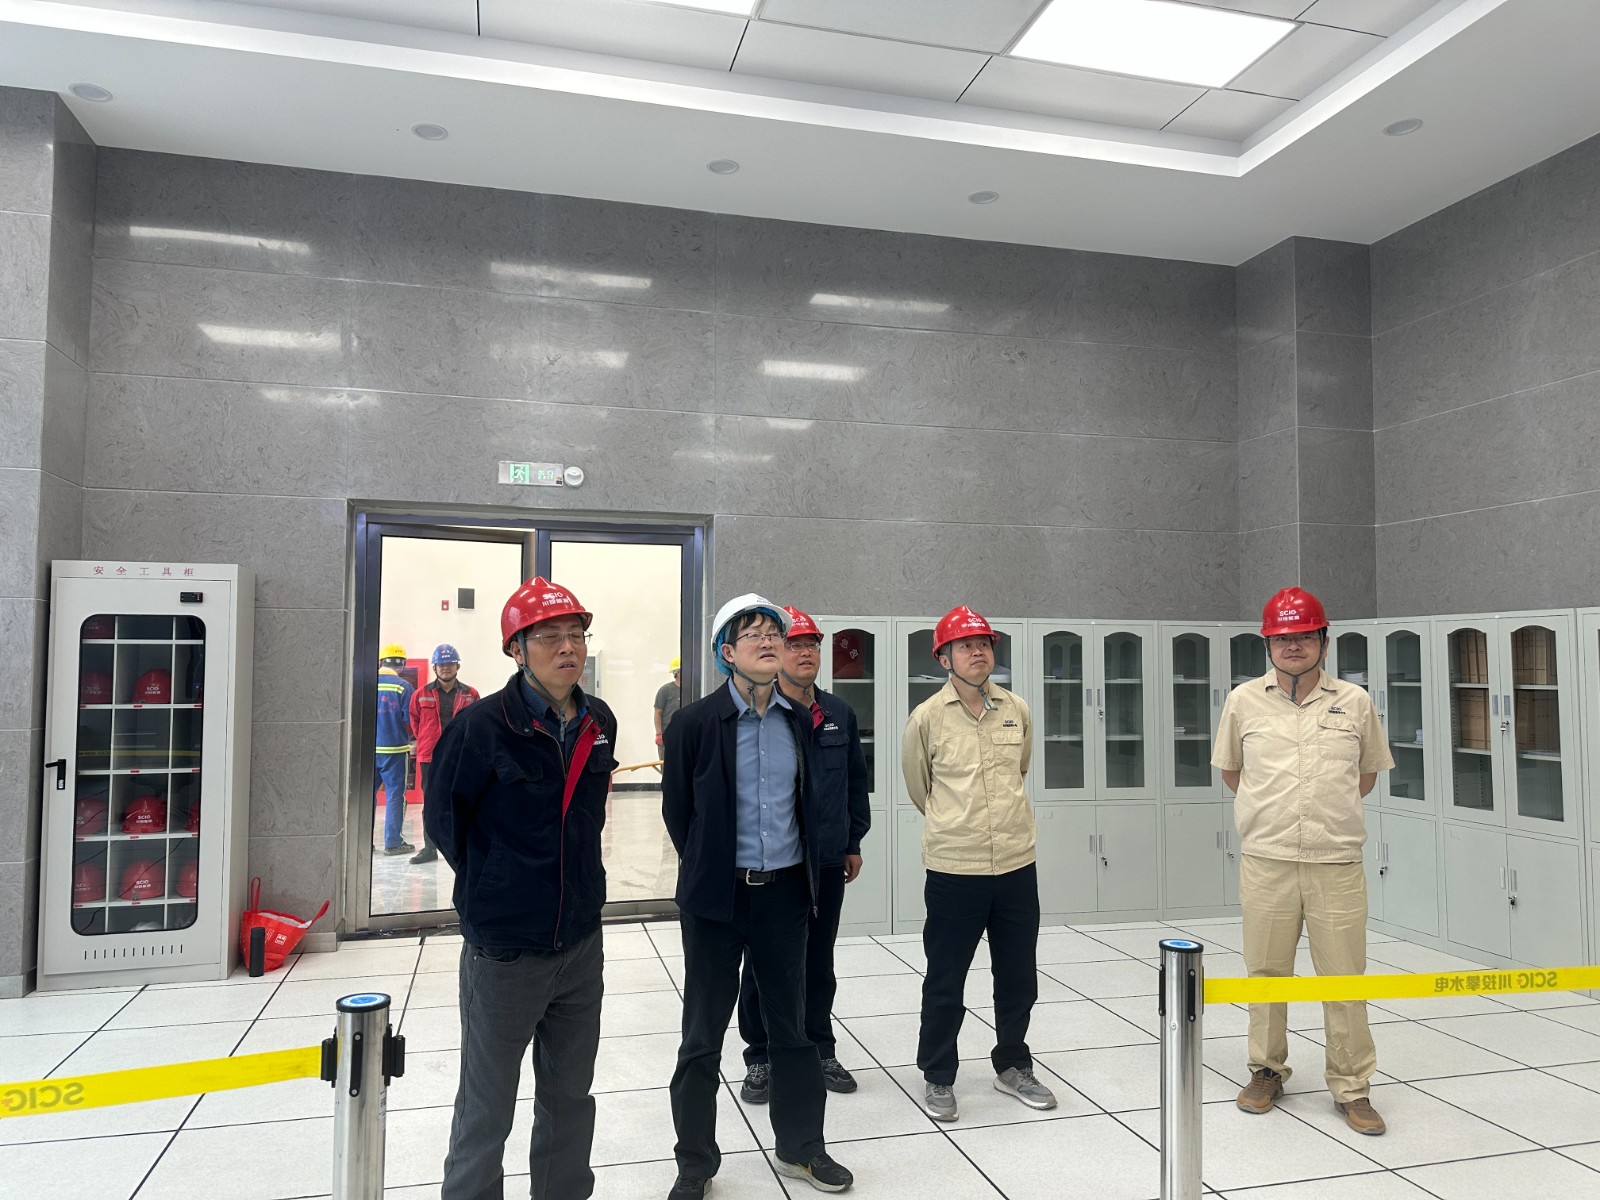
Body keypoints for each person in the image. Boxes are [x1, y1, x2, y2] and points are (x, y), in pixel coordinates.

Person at [424, 577, 619, 1199]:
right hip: (506, 951)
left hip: (580, 943)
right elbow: (444, 821)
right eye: (550, 636)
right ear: (516, 649)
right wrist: (498, 883)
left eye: (576, 635)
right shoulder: (480, 727)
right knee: (487, 1105)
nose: (568, 647)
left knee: (570, 1097)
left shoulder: (598, 720)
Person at [662, 595, 853, 1198]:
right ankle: (695, 1163)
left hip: (785, 897)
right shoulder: (695, 723)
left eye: (776, 632)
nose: (770, 641)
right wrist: (713, 865)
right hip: (716, 901)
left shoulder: (800, 721)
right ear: (727, 652)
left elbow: (811, 803)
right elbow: (679, 815)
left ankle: (802, 1148)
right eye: (754, 634)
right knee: (702, 1036)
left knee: (792, 1028)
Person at [1212, 586, 1395, 1136]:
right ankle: (1266, 1071)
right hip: (1266, 859)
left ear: (1324, 641)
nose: (1293, 646)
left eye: (1304, 636)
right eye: (1282, 637)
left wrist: (1320, 817)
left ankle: (1352, 1087)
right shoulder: (1243, 701)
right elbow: (1233, 773)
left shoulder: (1355, 702)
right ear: (1268, 644)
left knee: (1344, 977)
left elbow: (1365, 776)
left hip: (1335, 860)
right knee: (1266, 974)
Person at [901, 605, 1056, 1123]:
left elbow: (1021, 769)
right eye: (965, 645)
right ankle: (938, 1073)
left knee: (1018, 975)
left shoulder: (1016, 708)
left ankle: (1013, 1064)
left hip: (1015, 863)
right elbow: (920, 787)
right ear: (943, 657)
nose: (977, 652)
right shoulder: (927, 717)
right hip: (955, 867)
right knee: (946, 977)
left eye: (984, 643)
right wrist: (958, 823)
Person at [737, 607, 870, 1104]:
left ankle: (820, 1047)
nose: (805, 652)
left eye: (812, 643)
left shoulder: (837, 713)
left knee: (818, 959)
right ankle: (761, 1056)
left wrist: (853, 842)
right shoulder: (762, 714)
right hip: (776, 863)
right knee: (763, 963)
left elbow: (855, 782)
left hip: (827, 860)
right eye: (794, 643)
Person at [408, 644, 481, 865]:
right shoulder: (421, 694)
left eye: (450, 663)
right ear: (435, 668)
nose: (445, 667)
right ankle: (429, 849)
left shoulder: (470, 694)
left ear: (457, 666)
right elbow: (415, 722)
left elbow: (477, 721)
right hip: (430, 757)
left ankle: (464, 845)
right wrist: (426, 740)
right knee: (431, 802)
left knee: (463, 799)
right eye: (441, 664)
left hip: (460, 755)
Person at [375, 643, 415, 856]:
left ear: (381, 661)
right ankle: (392, 843)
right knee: (395, 795)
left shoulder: (367, 683)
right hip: (395, 750)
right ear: (402, 665)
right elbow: (410, 720)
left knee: (366, 795)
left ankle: (364, 840)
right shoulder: (403, 686)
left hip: (367, 750)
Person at [654, 656, 682, 762]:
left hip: (684, 736)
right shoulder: (666, 690)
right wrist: (659, 734)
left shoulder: (690, 690)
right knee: (667, 767)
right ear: (677, 673)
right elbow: (658, 713)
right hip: (667, 737)